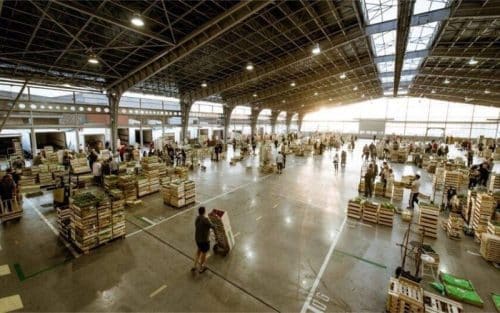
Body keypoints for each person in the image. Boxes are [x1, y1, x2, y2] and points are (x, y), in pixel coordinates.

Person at [192, 206, 214, 274]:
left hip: (197, 239)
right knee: (204, 253)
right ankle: (201, 267)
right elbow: (212, 226)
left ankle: (194, 266)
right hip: (204, 240)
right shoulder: (205, 219)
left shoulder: (197, 218)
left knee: (198, 251)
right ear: (204, 211)